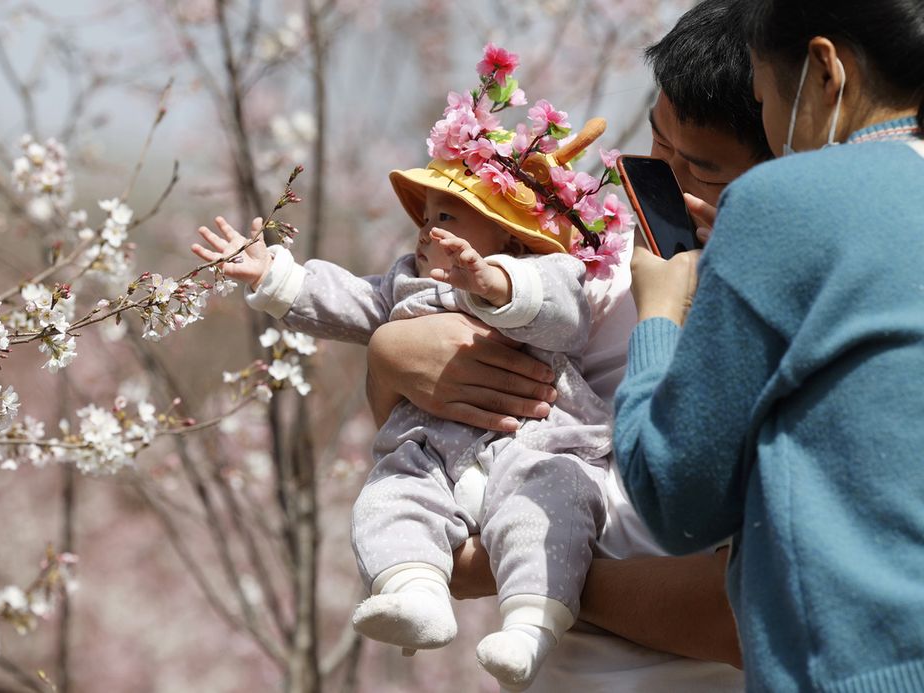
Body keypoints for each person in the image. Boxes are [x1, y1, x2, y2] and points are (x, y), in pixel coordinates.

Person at [366, 1, 770, 689]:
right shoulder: (599, 266)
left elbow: (740, 613)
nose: (660, 178)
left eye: (700, 169)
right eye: (656, 139)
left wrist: (538, 558)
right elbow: (448, 434)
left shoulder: (780, 307)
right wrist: (391, 358)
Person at [191, 89, 637, 687]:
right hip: (429, 453)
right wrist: (273, 274)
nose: (427, 232)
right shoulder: (405, 286)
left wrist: (495, 283)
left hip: (534, 447)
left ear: (508, 235)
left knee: (550, 508)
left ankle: (531, 623)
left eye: (447, 217)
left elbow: (562, 312)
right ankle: (415, 591)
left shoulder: (543, 276)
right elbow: (345, 297)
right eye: (425, 220)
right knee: (388, 498)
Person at [614, 0, 924, 690]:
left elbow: (673, 494)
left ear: (823, 69)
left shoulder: (786, 199)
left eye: (762, 97)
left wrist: (660, 313)